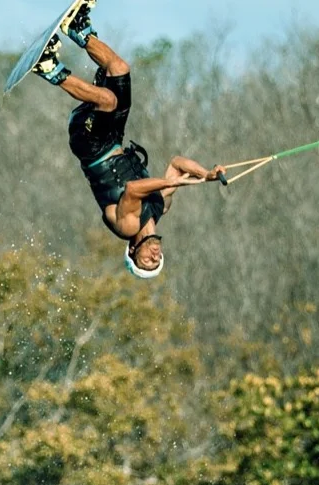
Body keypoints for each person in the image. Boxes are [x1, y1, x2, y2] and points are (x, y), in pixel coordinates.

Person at [31, 2, 225, 279]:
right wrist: (206, 174)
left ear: (133, 252)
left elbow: (134, 189)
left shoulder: (126, 227)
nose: (154, 257)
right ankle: (77, 29)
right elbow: (178, 164)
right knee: (120, 68)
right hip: (113, 139)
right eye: (156, 262)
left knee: (108, 99)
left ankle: (48, 67)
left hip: (91, 148)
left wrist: (171, 182)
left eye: (146, 262)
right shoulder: (161, 207)